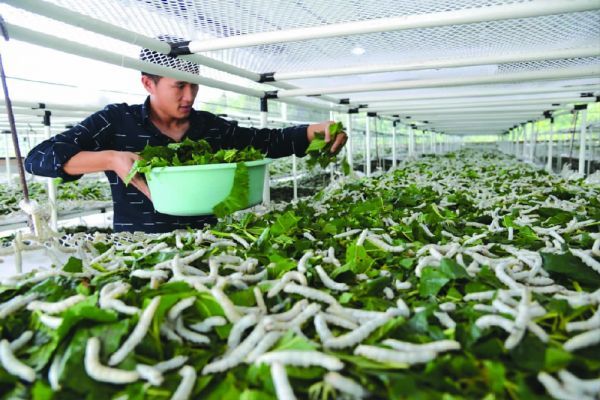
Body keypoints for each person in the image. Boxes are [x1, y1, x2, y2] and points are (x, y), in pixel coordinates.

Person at [24, 42, 346, 233]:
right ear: (148, 84)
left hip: (206, 246)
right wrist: (110, 158)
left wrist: (310, 132)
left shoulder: (209, 128)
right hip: (137, 251)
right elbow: (39, 157)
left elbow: (266, 142)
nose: (189, 95)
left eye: (194, 85)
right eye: (179, 86)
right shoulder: (117, 122)